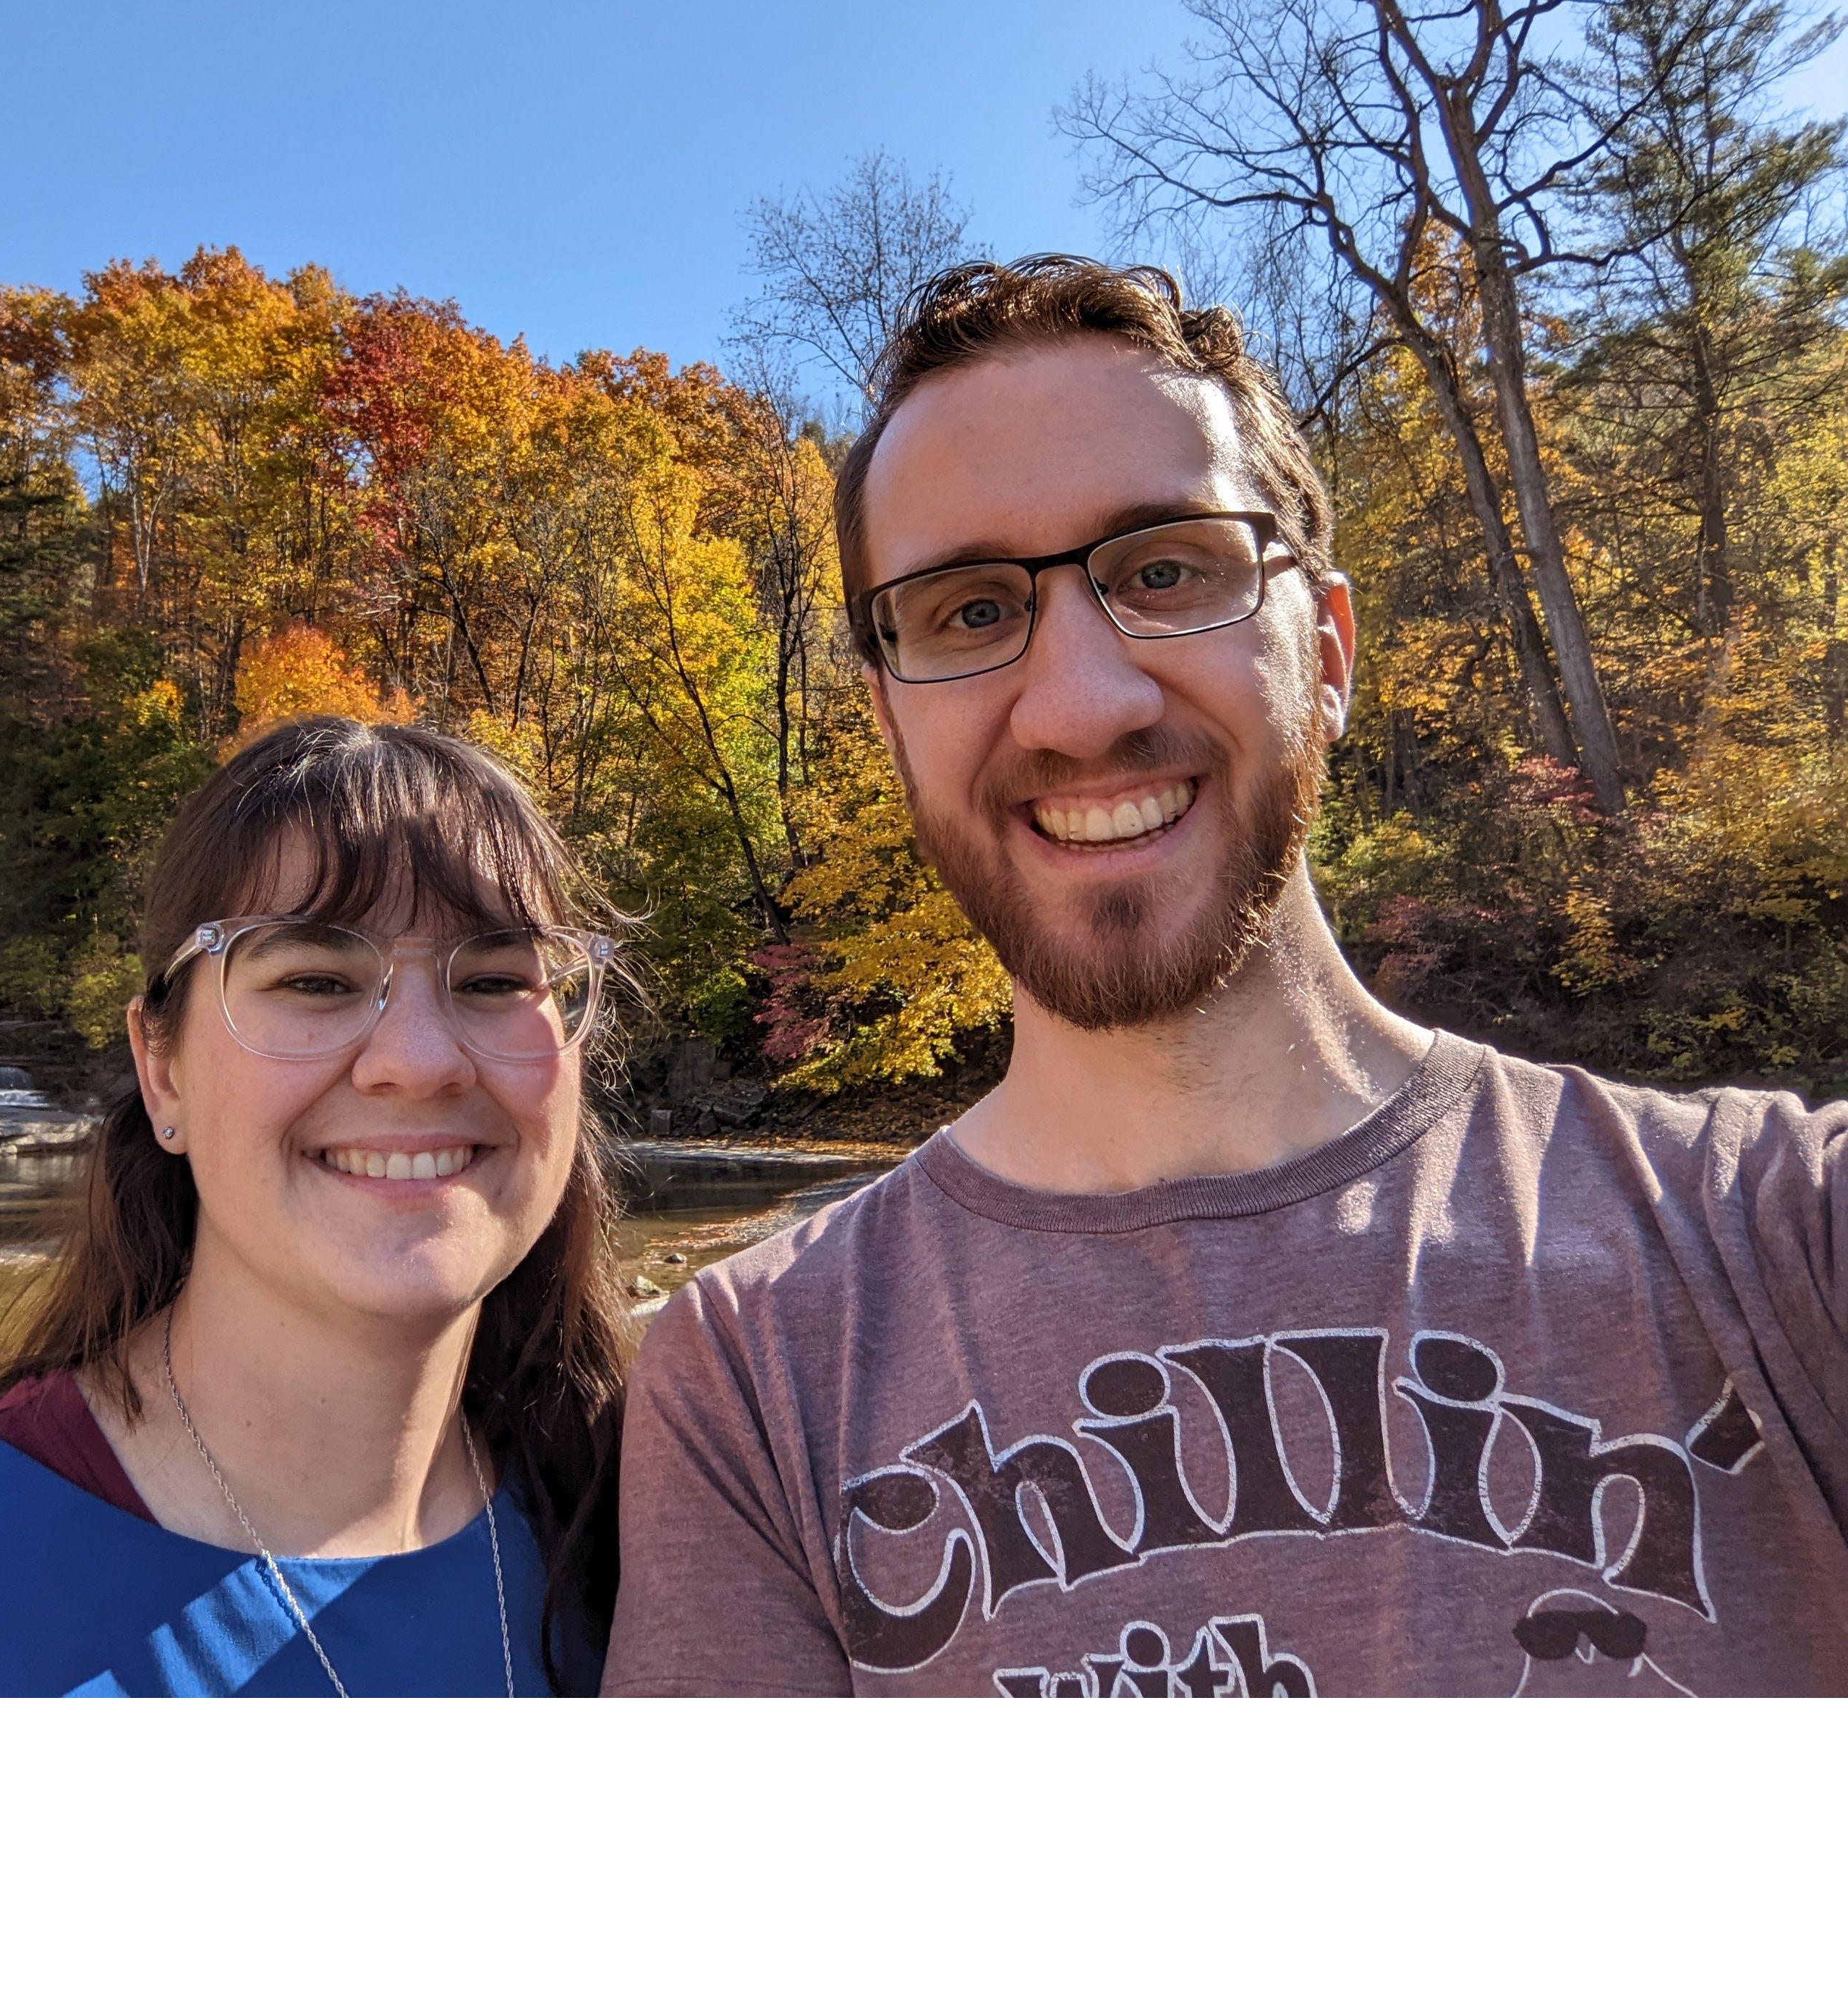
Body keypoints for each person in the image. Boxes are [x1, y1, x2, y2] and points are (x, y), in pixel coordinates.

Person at [604, 254, 1848, 1699]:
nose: (1080, 706)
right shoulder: (755, 1385)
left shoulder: (1772, 1242)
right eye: (966, 612)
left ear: (1323, 653)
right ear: (888, 722)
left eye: (1166, 571)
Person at [0, 717, 631, 1697]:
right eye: (319, 978)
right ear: (163, 1072)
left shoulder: (650, 1536)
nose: (419, 1061)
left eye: (497, 980)